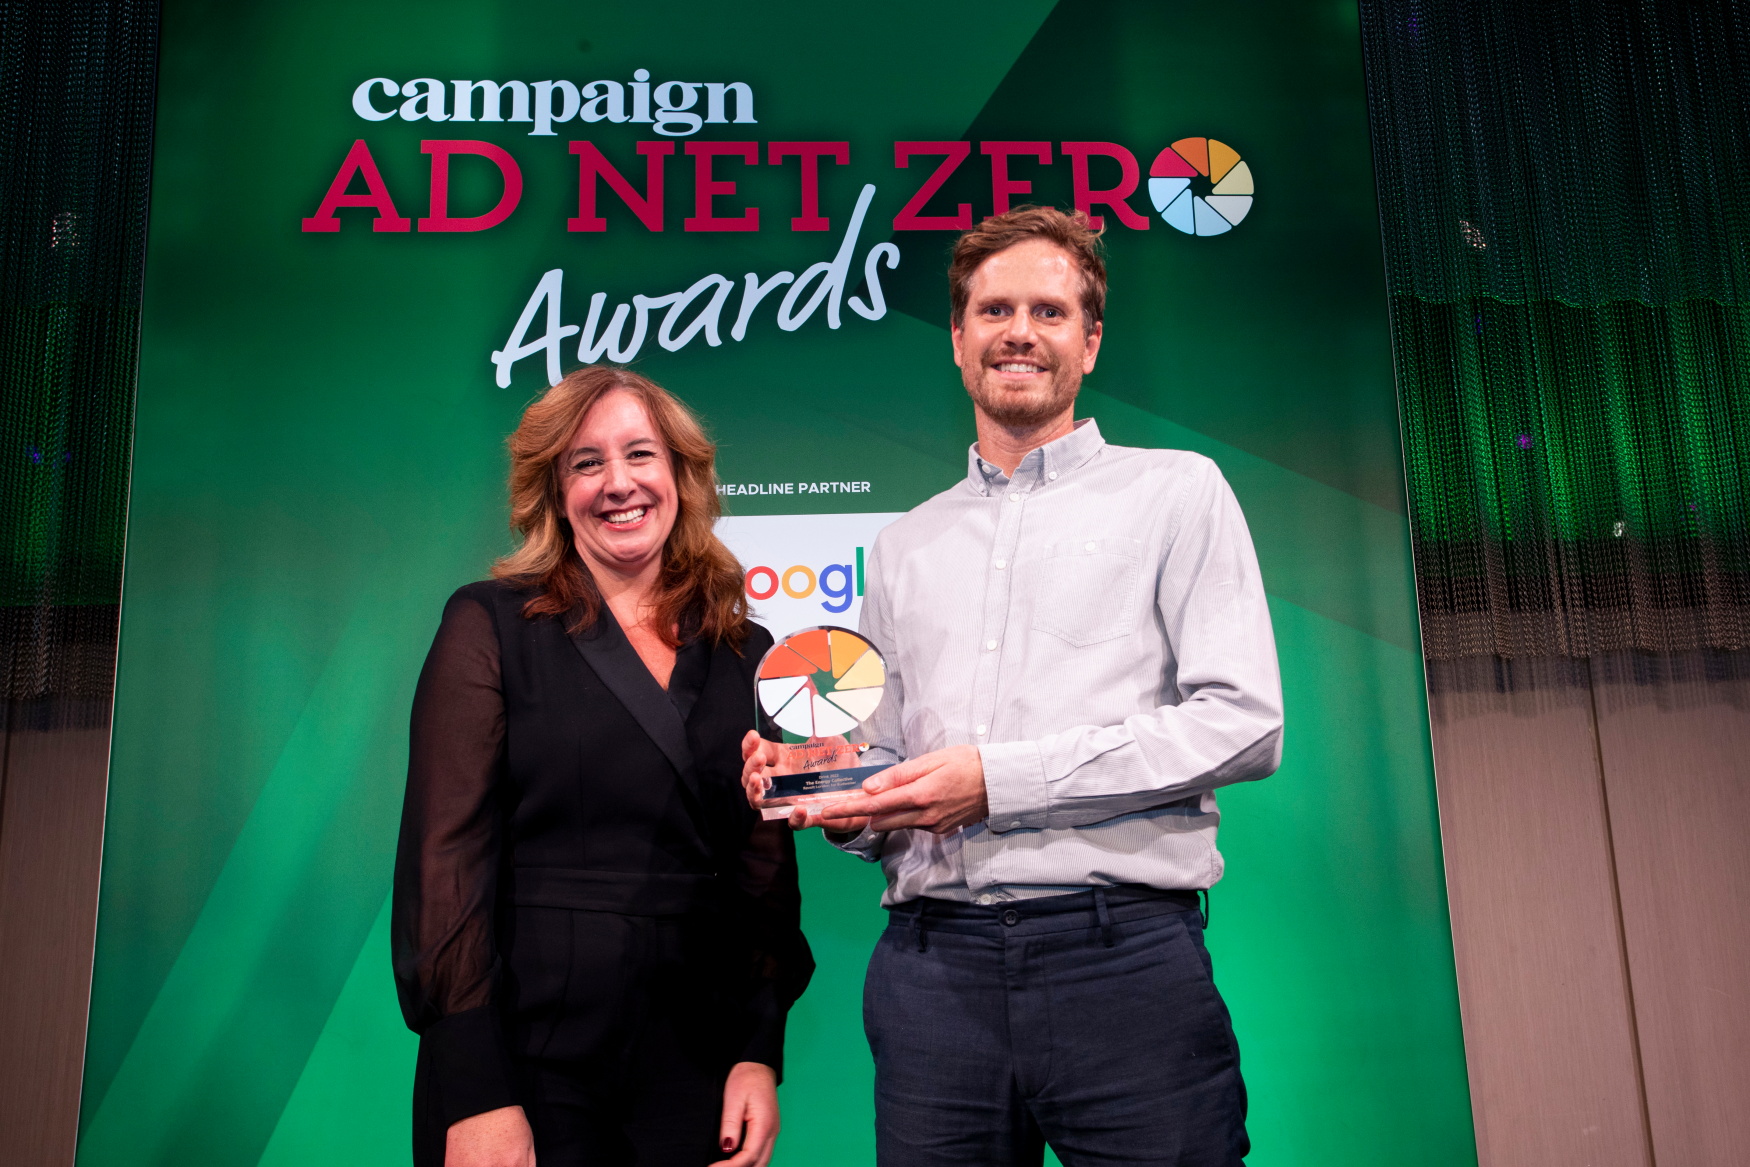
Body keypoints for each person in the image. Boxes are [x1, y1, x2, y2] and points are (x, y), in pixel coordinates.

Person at [743, 206, 1282, 1166]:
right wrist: (829, 788)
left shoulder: (1178, 491)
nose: (1019, 332)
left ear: (1091, 340)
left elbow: (1242, 724)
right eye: (994, 310)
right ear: (958, 339)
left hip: (1121, 961)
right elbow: (891, 772)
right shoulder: (903, 545)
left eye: (1049, 310)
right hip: (930, 972)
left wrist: (997, 780)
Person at [395, 366, 813, 1167]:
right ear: (556, 492)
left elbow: (762, 875)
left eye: (640, 454)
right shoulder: (488, 624)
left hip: (695, 1059)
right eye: (587, 463)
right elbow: (444, 865)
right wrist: (476, 1087)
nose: (618, 483)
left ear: (680, 474)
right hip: (526, 1055)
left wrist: (757, 1049)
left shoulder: (746, 651)